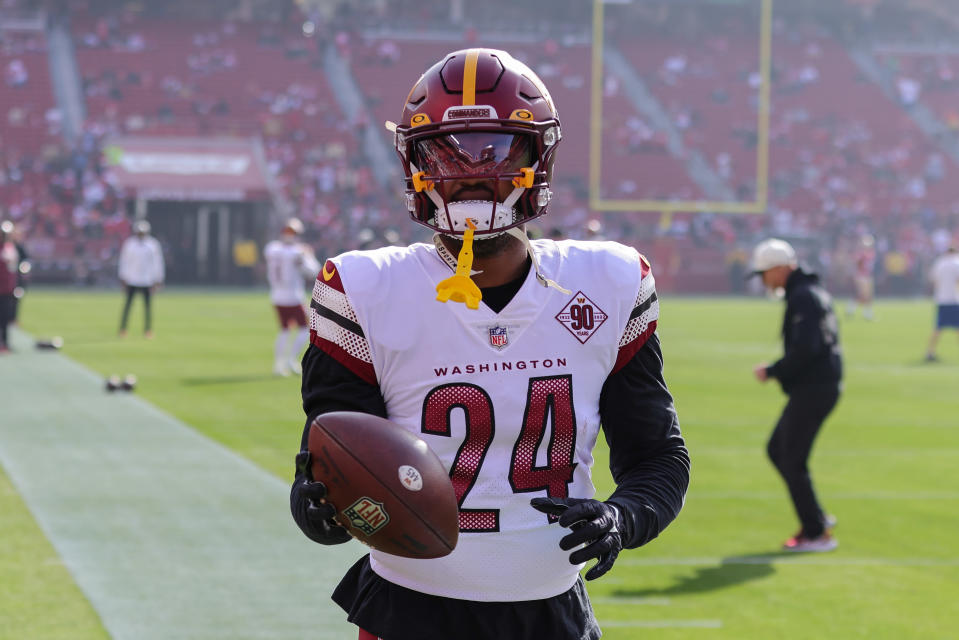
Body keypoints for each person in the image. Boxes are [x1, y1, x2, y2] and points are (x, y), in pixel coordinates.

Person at [288, 48, 689, 640]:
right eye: (445, 153)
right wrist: (320, 506)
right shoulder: (364, 289)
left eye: (497, 150)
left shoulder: (608, 283)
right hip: (411, 607)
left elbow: (658, 459)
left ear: (539, 158)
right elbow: (331, 460)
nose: (471, 171)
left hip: (549, 607)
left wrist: (621, 517)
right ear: (413, 162)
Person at [750, 238, 842, 553]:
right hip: (817, 386)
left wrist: (774, 370)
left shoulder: (803, 296)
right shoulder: (807, 292)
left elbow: (807, 348)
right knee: (781, 450)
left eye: (764, 273)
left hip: (816, 388)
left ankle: (816, 531)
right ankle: (816, 519)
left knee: (789, 456)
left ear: (778, 269)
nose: (763, 280)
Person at [263, 218, 319, 376]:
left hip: (277, 295)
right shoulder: (297, 251)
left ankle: (280, 364)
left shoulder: (272, 248)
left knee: (285, 331)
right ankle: (289, 360)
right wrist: (306, 255)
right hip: (293, 296)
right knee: (304, 329)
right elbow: (313, 269)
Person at [117, 219, 164, 338]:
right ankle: (123, 329)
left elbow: (157, 263)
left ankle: (148, 330)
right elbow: (124, 261)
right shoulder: (129, 244)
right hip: (132, 279)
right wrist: (123, 277)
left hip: (147, 280)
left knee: (147, 307)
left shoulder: (153, 245)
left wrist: (158, 279)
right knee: (127, 306)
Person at [925, 245, 959, 362]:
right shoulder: (956, 262)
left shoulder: (939, 263)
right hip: (954, 300)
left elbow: (933, 280)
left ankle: (930, 352)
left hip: (941, 299)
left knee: (938, 328)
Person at [847, 234, 876, 320]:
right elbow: (856, 263)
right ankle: (864, 312)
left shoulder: (871, 253)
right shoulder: (861, 254)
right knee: (863, 295)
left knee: (867, 296)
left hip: (867, 275)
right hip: (861, 275)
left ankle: (859, 310)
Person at [0, 221, 18, 353]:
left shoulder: (9, 248)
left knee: (5, 318)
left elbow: (12, 267)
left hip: (6, 289)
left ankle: (4, 342)